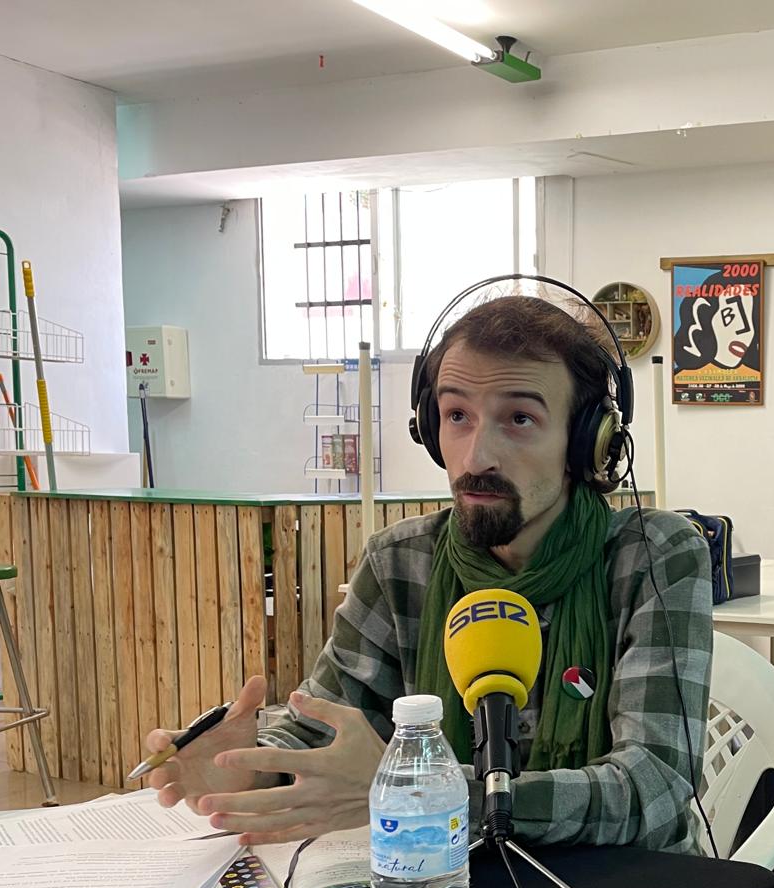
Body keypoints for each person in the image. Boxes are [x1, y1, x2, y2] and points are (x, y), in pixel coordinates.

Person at [144, 293, 713, 853]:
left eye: (519, 418)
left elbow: (653, 789)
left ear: (589, 441)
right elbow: (326, 732)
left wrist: (425, 792)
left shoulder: (655, 556)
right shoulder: (399, 562)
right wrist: (249, 763)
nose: (475, 456)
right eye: (457, 415)